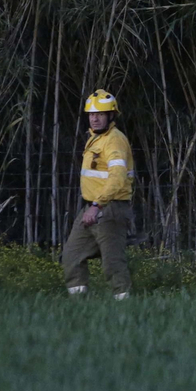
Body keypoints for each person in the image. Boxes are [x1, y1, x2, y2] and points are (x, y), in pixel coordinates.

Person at [62, 89, 134, 299]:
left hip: (108, 208)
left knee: (113, 262)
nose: (94, 118)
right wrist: (92, 206)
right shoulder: (95, 139)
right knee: (72, 256)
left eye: (100, 114)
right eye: (91, 114)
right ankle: (79, 305)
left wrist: (97, 206)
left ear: (111, 115)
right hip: (91, 207)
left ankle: (124, 306)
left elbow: (117, 177)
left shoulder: (114, 140)